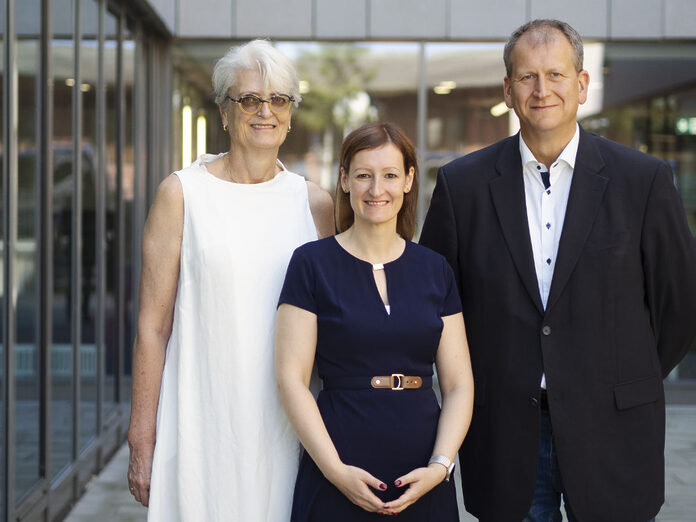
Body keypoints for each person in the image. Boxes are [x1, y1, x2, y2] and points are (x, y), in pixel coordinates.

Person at [420, 18, 696, 522]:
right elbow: (439, 307)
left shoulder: (644, 181)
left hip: (615, 426)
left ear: (582, 85)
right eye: (527, 77)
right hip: (506, 432)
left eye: (556, 75)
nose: (541, 90)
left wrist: (618, 377)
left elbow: (679, 306)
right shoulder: (463, 187)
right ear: (507, 89)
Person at [126, 39, 334, 521]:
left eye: (278, 99)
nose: (265, 111)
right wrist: (142, 431)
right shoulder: (181, 194)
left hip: (288, 429)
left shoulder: (315, 203)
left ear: (290, 113)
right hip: (202, 421)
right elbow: (152, 328)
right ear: (224, 111)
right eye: (249, 99)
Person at [276, 122, 474, 520]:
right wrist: (334, 472)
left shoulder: (435, 269)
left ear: (408, 180)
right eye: (364, 175)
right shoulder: (311, 264)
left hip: (423, 472)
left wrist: (440, 466)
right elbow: (290, 379)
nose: (376, 189)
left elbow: (458, 384)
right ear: (345, 180)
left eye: (389, 175)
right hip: (339, 466)